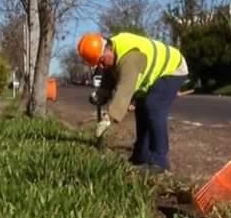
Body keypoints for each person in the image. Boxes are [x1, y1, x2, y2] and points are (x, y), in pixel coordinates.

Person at [77, 31, 188, 172]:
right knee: (142, 109)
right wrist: (102, 94)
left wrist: (109, 117)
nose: (101, 66)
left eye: (101, 61)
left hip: (173, 69)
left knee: (153, 106)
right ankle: (140, 156)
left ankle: (159, 162)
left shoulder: (129, 57)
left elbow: (125, 89)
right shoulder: (113, 52)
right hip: (158, 73)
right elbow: (110, 74)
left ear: (108, 49)